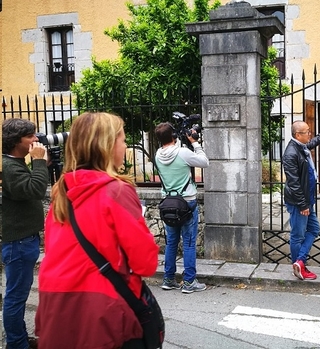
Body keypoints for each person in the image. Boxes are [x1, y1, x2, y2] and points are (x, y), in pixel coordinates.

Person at [34, 112, 160, 349]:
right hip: (102, 307)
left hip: (55, 302)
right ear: (108, 146)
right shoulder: (117, 191)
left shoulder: (61, 191)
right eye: (122, 139)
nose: (125, 145)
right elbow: (146, 263)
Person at [2, 119, 49, 349]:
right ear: (15, 141)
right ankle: (16, 344)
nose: (35, 140)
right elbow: (36, 190)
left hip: (23, 240)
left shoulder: (15, 163)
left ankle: (19, 338)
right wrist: (39, 161)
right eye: (30, 136)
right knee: (15, 297)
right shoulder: (9, 167)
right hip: (18, 243)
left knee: (18, 295)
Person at [154, 122, 209, 293]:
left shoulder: (157, 155)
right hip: (187, 202)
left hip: (168, 203)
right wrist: (195, 143)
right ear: (174, 136)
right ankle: (189, 282)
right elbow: (204, 162)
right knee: (189, 243)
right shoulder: (183, 153)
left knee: (171, 242)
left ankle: (169, 279)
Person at [283, 120, 320, 280]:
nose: (309, 134)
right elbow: (294, 182)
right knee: (297, 235)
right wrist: (303, 204)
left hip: (307, 199)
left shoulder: (301, 147)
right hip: (299, 202)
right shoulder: (291, 153)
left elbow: (312, 143)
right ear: (298, 135)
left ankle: (299, 262)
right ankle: (298, 266)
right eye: (307, 132)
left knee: (314, 229)